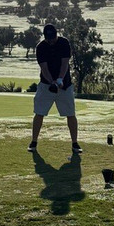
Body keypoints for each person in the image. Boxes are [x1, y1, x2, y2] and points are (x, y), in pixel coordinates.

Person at [29, 23, 81, 153]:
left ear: (56, 35)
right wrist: (52, 82)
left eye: (53, 38)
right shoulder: (41, 47)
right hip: (46, 85)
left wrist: (59, 80)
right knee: (39, 113)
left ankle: (75, 143)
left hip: (65, 85)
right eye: (48, 38)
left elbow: (65, 64)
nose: (51, 41)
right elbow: (44, 68)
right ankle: (33, 142)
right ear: (45, 37)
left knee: (71, 114)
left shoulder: (64, 43)